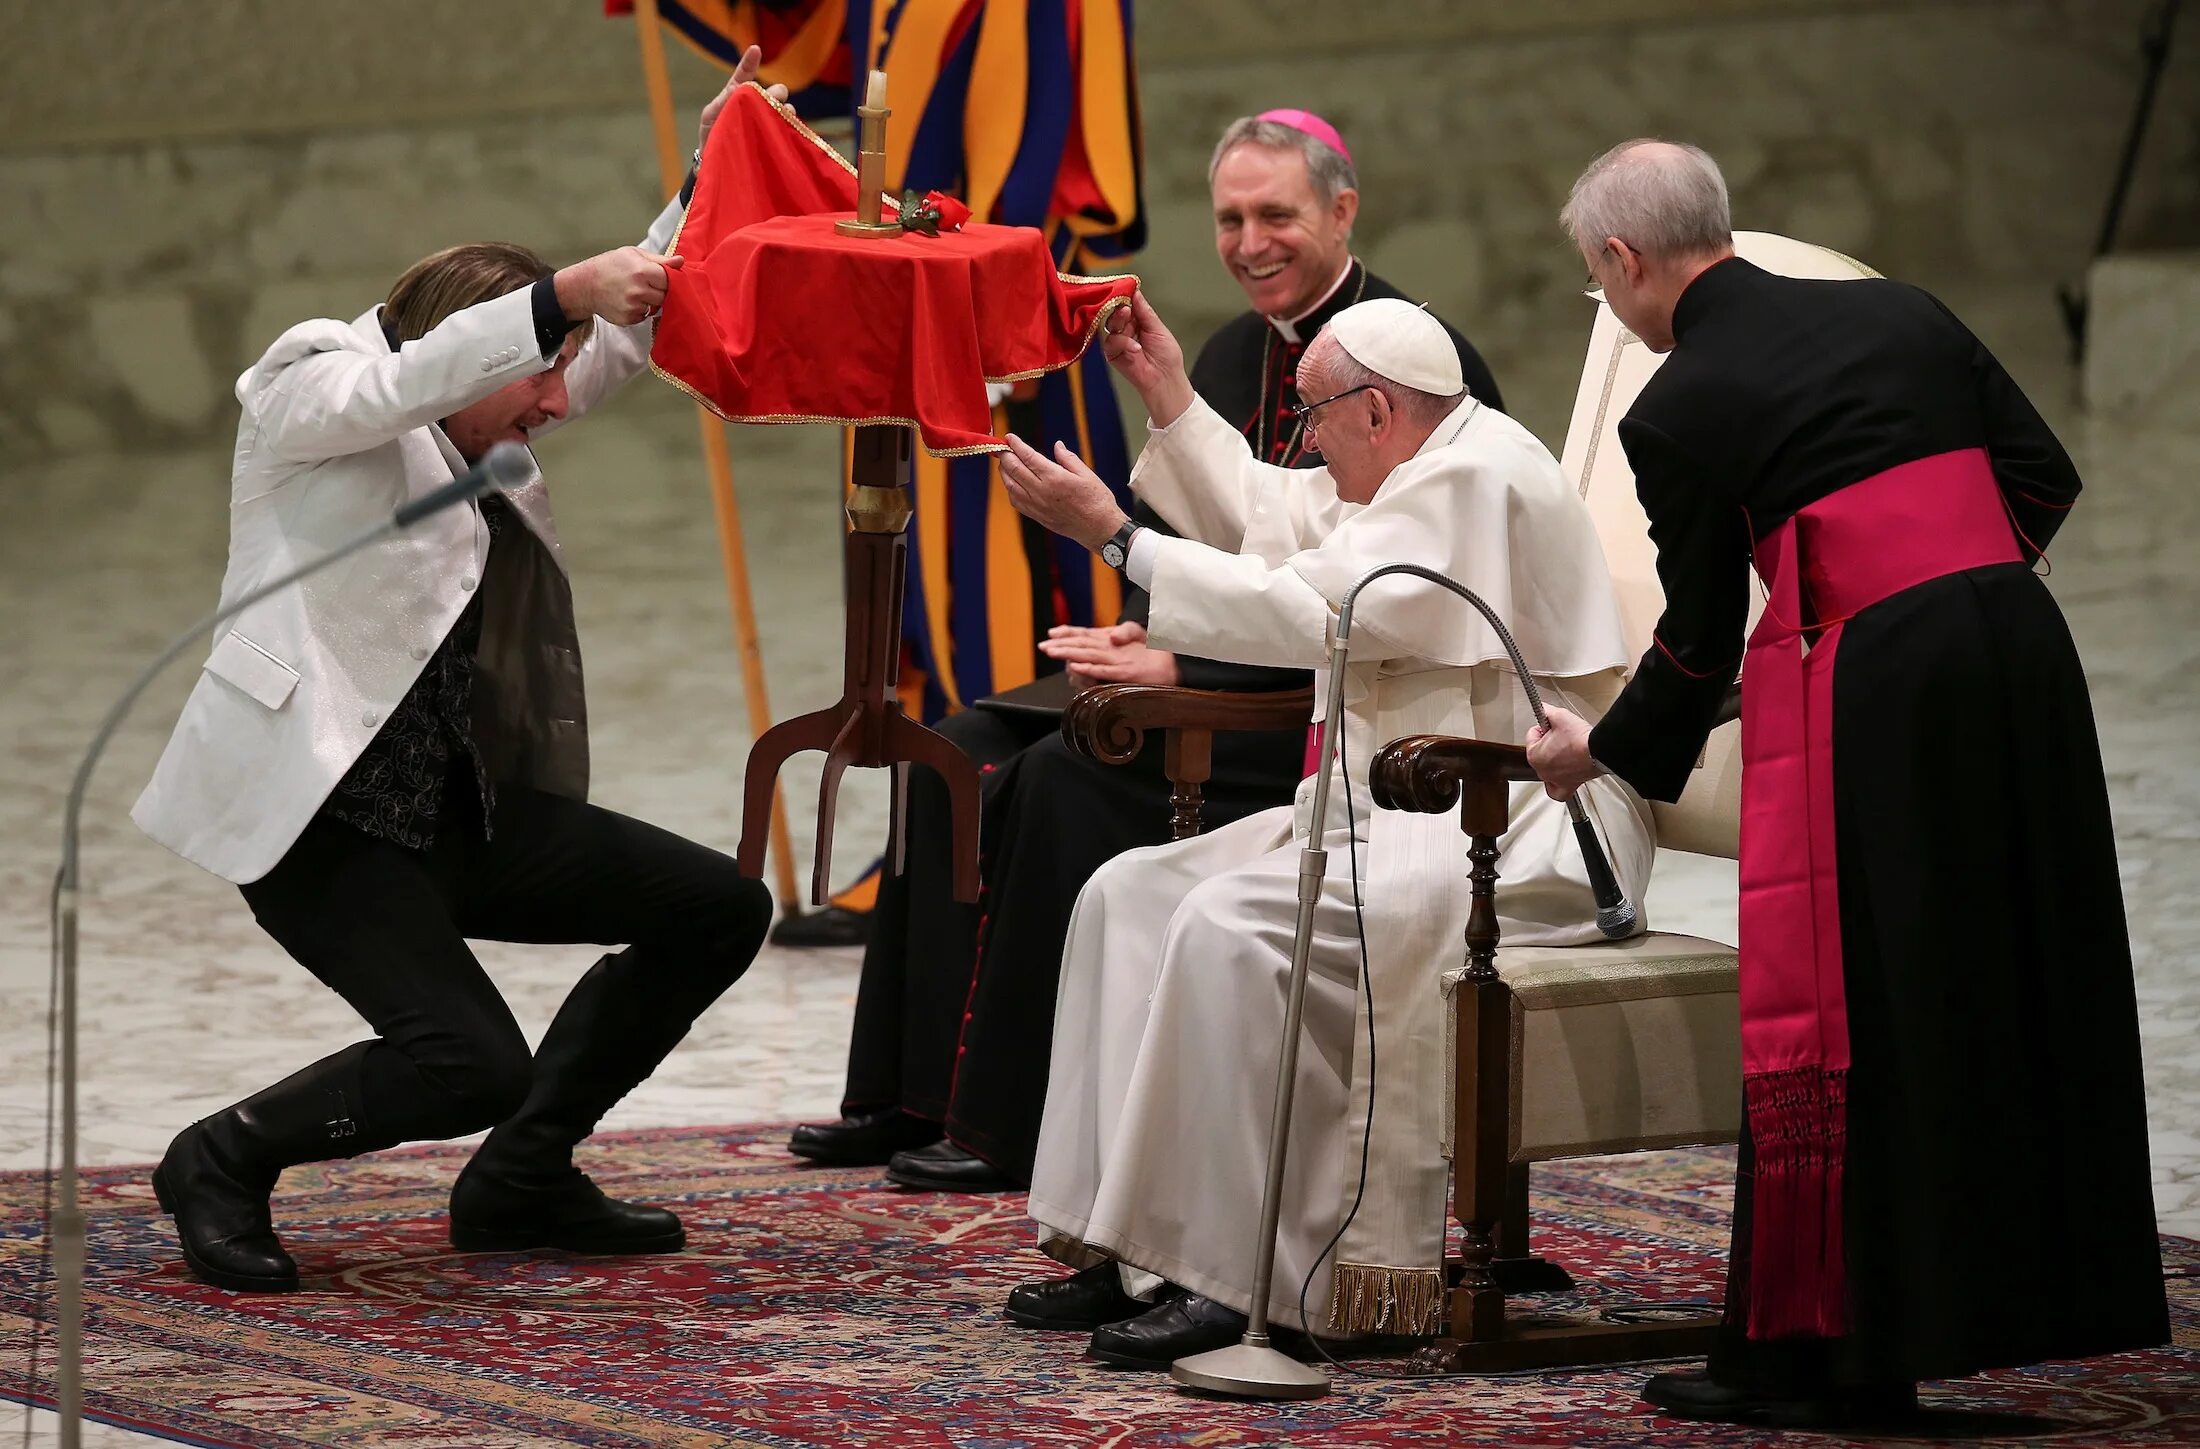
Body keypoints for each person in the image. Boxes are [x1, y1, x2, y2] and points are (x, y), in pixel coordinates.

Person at [1525, 139, 2167, 1424]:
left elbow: (1698, 638)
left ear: (1620, 261)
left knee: (1874, 999)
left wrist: (1591, 748)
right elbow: (2043, 476)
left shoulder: (1674, 403)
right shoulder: (1898, 307)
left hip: (1881, 690)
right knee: (2017, 965)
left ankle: (1841, 1355)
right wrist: (1936, 575)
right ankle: (2016, 1300)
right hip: (2018, 659)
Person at [131, 53, 792, 1293]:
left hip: (461, 810)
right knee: (464, 1061)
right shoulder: (310, 385)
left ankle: (524, 1175)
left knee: (717, 907)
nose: (557, 399)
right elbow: (402, 381)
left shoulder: (485, 406)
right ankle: (219, 1158)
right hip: (323, 822)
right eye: (536, 371)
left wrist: (713, 173)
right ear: (468, 351)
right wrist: (557, 295)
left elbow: (610, 344)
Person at [789, 110, 1503, 1192]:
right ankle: (903, 1092)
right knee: (948, 751)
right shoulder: (1230, 350)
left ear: (1341, 209)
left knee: (1055, 778)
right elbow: (1251, 534)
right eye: (1229, 217)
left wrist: (1187, 661)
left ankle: (1008, 1125)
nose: (1250, 241)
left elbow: (1376, 598)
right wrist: (1155, 620)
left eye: (1277, 214)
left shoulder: (1407, 364)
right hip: (1223, 650)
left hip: (1332, 714)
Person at [992, 292, 1652, 1369]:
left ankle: (1239, 1275)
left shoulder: (1476, 478)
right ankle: (1128, 1248)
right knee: (1129, 891)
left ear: (1379, 410)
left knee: (1228, 925)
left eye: (1313, 417)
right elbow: (1279, 515)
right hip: (1398, 812)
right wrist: (1167, 398)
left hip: (1513, 823)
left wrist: (1117, 539)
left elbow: (1311, 607)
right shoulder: (1414, 464)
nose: (1303, 441)